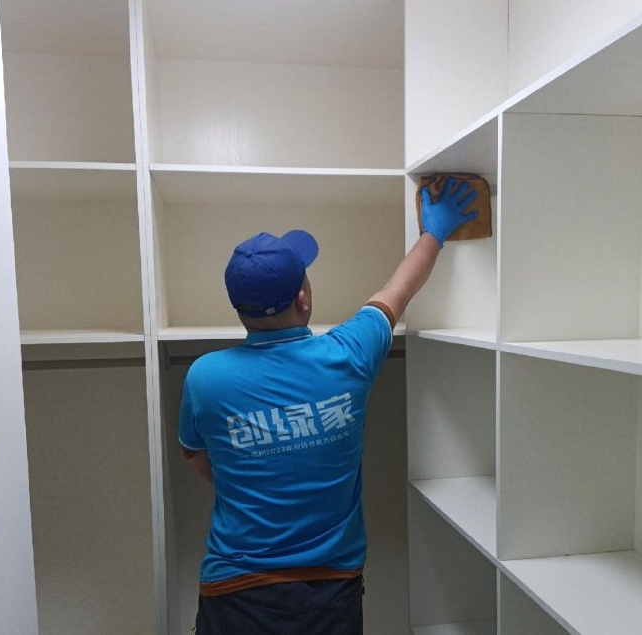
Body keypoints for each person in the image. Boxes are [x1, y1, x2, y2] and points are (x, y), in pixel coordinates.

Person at [178, 178, 478, 635]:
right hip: (329, 591)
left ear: (239, 307)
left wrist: (254, 475)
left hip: (233, 591)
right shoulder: (349, 354)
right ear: (303, 299)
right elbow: (398, 290)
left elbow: (196, 456)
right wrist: (434, 232)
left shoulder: (204, 377)